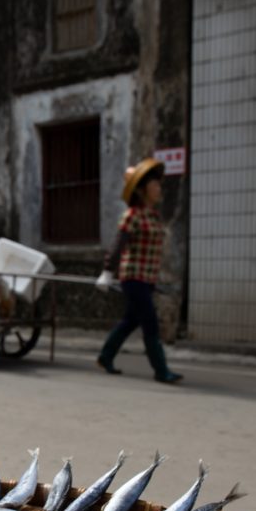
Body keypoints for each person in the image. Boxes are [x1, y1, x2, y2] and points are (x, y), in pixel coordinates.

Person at [96, 157, 183, 384]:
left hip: (147, 277)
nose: (159, 188)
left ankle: (105, 356)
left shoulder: (153, 216)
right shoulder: (132, 216)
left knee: (131, 320)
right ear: (143, 189)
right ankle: (161, 370)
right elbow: (118, 245)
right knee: (150, 322)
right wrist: (107, 272)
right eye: (154, 185)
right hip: (133, 277)